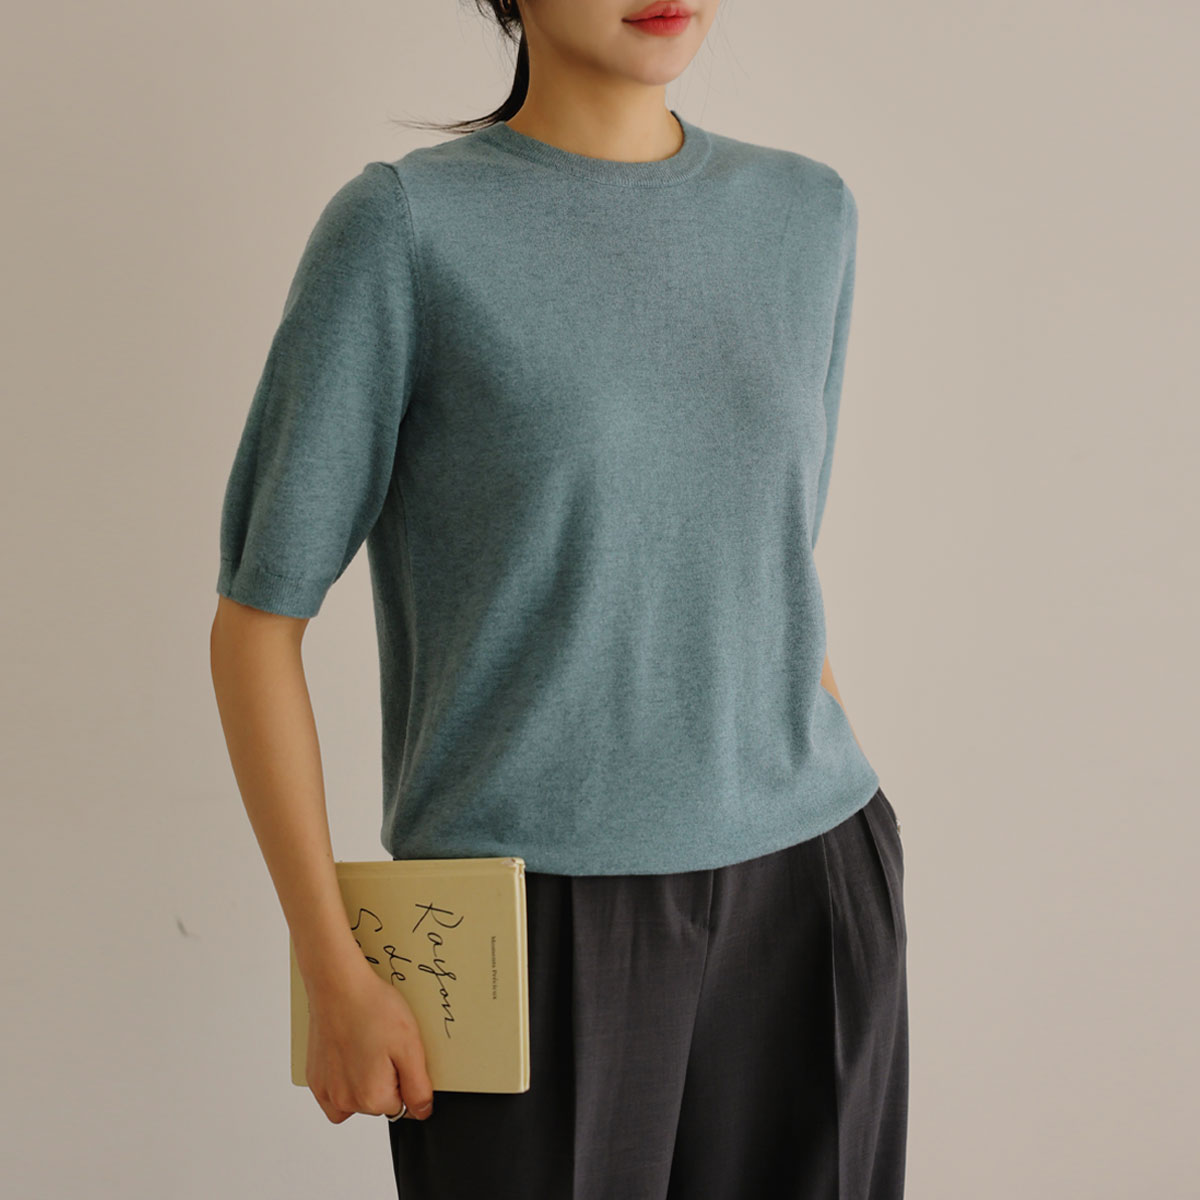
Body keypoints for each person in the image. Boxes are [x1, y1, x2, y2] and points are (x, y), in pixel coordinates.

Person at [209, 0, 909, 1196]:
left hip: (812, 880)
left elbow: (771, 553)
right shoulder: (407, 230)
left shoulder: (808, 215)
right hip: (528, 926)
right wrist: (332, 966)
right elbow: (256, 627)